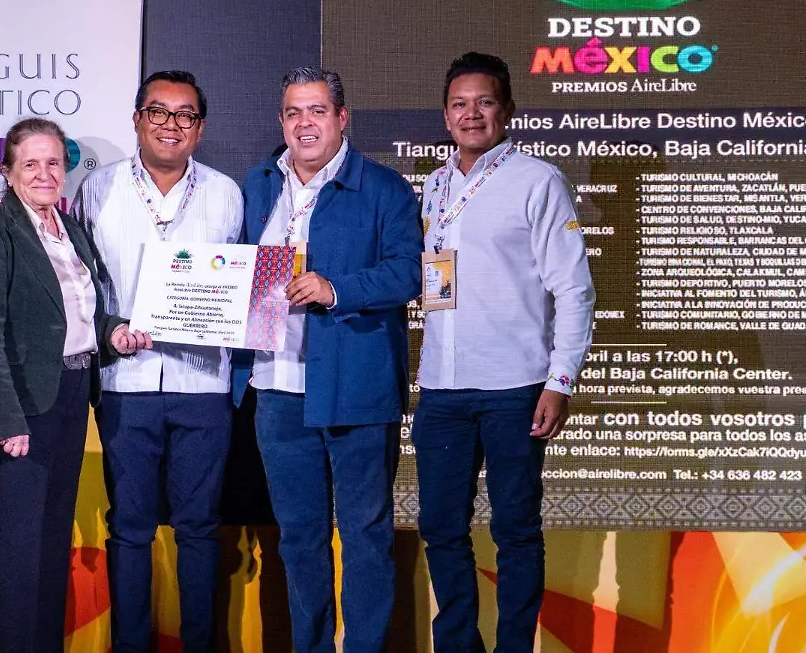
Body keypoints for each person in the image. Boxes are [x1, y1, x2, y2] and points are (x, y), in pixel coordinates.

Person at [230, 66, 423, 653]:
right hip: (276, 387)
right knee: (298, 538)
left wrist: (335, 289)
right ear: (281, 121)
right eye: (293, 112)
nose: (305, 123)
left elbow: (408, 273)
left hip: (356, 387)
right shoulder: (259, 184)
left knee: (364, 535)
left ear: (342, 118)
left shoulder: (384, 188)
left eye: (317, 111)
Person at [413, 52, 595, 653]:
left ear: (508, 110)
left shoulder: (538, 180)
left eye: (484, 102)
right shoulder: (435, 186)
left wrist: (559, 381)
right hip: (442, 387)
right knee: (441, 528)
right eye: (460, 104)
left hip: (515, 387)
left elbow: (574, 289)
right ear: (446, 115)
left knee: (515, 529)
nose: (472, 114)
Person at [72, 70, 243, 653]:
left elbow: (243, 286)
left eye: (185, 114)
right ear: (138, 119)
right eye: (158, 112)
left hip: (204, 383)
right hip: (126, 383)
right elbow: (84, 286)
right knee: (130, 528)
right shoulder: (97, 190)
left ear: (200, 127)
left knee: (200, 528)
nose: (172, 124)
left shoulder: (225, 193)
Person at [0, 117, 130, 652]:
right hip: (18, 407)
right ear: (8, 172)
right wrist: (6, 420)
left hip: (71, 397)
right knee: (17, 553)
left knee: (52, 544)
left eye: (53, 162)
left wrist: (114, 333)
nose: (44, 173)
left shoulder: (71, 229)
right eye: (30, 163)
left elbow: (80, 315)